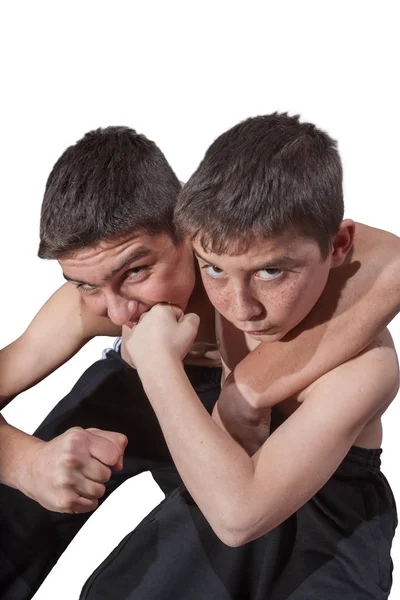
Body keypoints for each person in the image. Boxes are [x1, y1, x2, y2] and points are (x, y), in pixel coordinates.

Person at [0, 124, 399, 599]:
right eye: (86, 284)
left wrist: (244, 390)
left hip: (300, 466)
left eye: (136, 271)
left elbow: (388, 259)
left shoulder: (290, 275)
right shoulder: (98, 302)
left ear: (187, 229)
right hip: (170, 396)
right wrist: (26, 464)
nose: (119, 311)